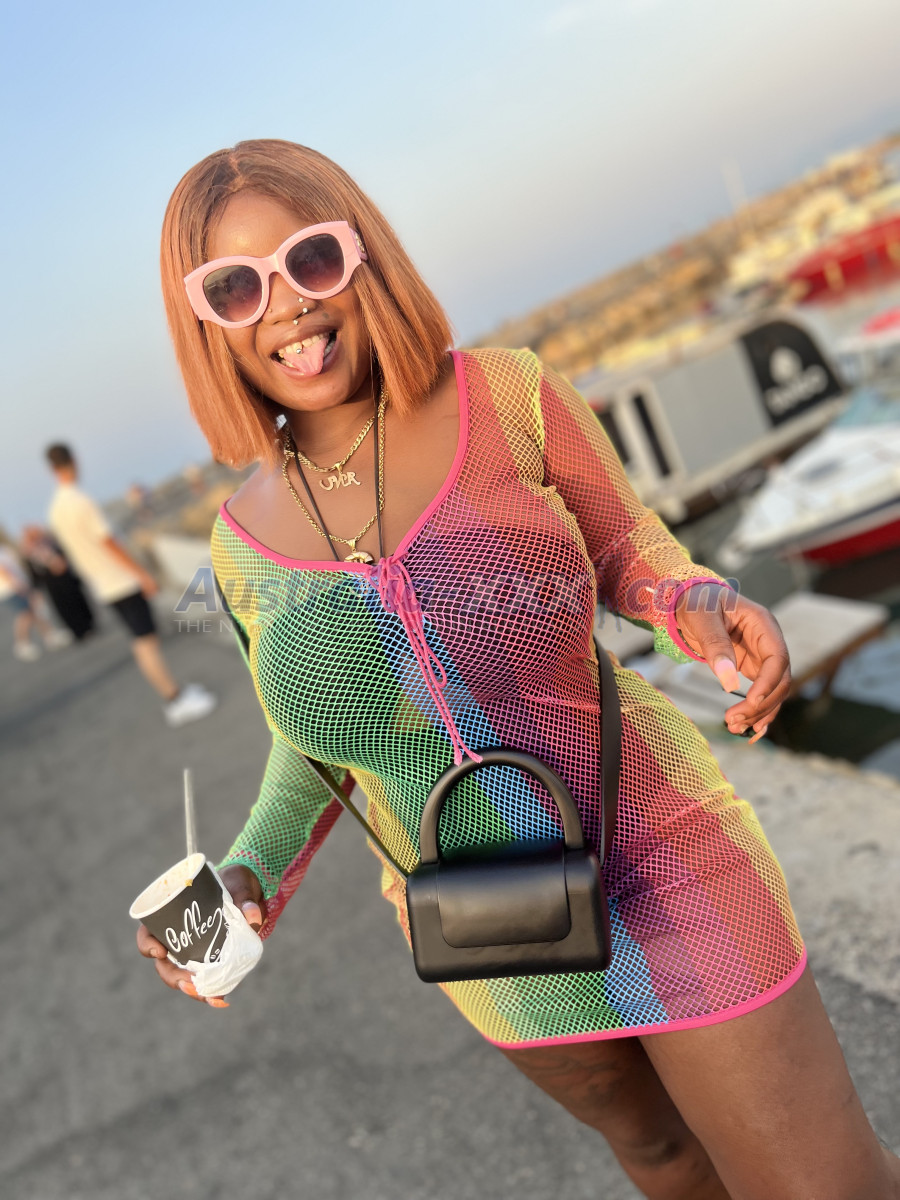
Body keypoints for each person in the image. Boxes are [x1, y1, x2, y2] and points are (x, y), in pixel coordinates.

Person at [137, 140, 899, 1200]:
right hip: (487, 927)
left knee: (824, 1186)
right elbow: (312, 745)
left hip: (657, 843)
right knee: (664, 1160)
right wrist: (251, 874)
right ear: (205, 322)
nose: (288, 306)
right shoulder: (236, 547)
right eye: (236, 287)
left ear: (362, 255)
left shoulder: (506, 395)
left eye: (310, 259)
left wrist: (699, 603)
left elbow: (628, 548)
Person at [45, 445, 217, 727]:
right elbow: (107, 541)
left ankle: (175, 694)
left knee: (142, 640)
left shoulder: (55, 510)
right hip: (120, 580)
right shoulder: (80, 501)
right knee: (146, 642)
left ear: (52, 469)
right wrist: (142, 574)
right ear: (73, 461)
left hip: (102, 584)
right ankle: (174, 699)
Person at [0, 536, 72, 660]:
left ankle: (49, 635)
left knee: (33, 611)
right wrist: (16, 584)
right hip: (11, 589)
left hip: (18, 585)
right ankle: (22, 644)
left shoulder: (3, 549)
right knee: (25, 614)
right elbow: (3, 570)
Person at [20, 524, 96, 641]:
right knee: (65, 608)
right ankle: (77, 630)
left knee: (78, 601)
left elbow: (64, 556)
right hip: (53, 585)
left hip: (66, 579)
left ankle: (88, 624)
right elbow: (35, 576)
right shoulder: (30, 555)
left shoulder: (50, 544)